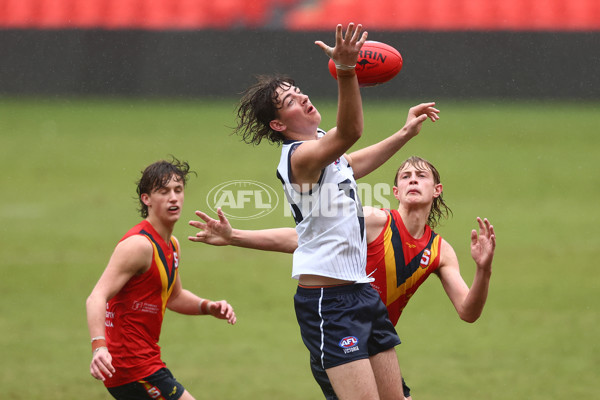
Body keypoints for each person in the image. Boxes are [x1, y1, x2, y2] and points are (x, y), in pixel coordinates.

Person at [228, 22, 439, 400]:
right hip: (328, 303)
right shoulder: (299, 158)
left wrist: (404, 134)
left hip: (362, 292)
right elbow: (351, 132)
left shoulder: (322, 146)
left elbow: (351, 163)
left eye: (298, 92)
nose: (304, 98)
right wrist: (346, 70)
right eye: (291, 102)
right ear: (278, 124)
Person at [188, 156, 496, 400]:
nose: (413, 179)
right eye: (405, 176)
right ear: (396, 192)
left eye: (421, 175)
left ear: (437, 190)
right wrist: (235, 236)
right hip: (340, 335)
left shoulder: (441, 251)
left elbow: (468, 312)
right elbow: (305, 239)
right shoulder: (374, 221)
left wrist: (483, 269)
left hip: (376, 346)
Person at [86, 158, 237, 400]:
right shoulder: (139, 245)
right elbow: (96, 297)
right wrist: (99, 348)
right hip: (131, 366)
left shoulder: (172, 245)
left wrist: (209, 307)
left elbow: (174, 297)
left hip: (145, 361)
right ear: (146, 199)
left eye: (178, 190)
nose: (173, 198)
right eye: (163, 191)